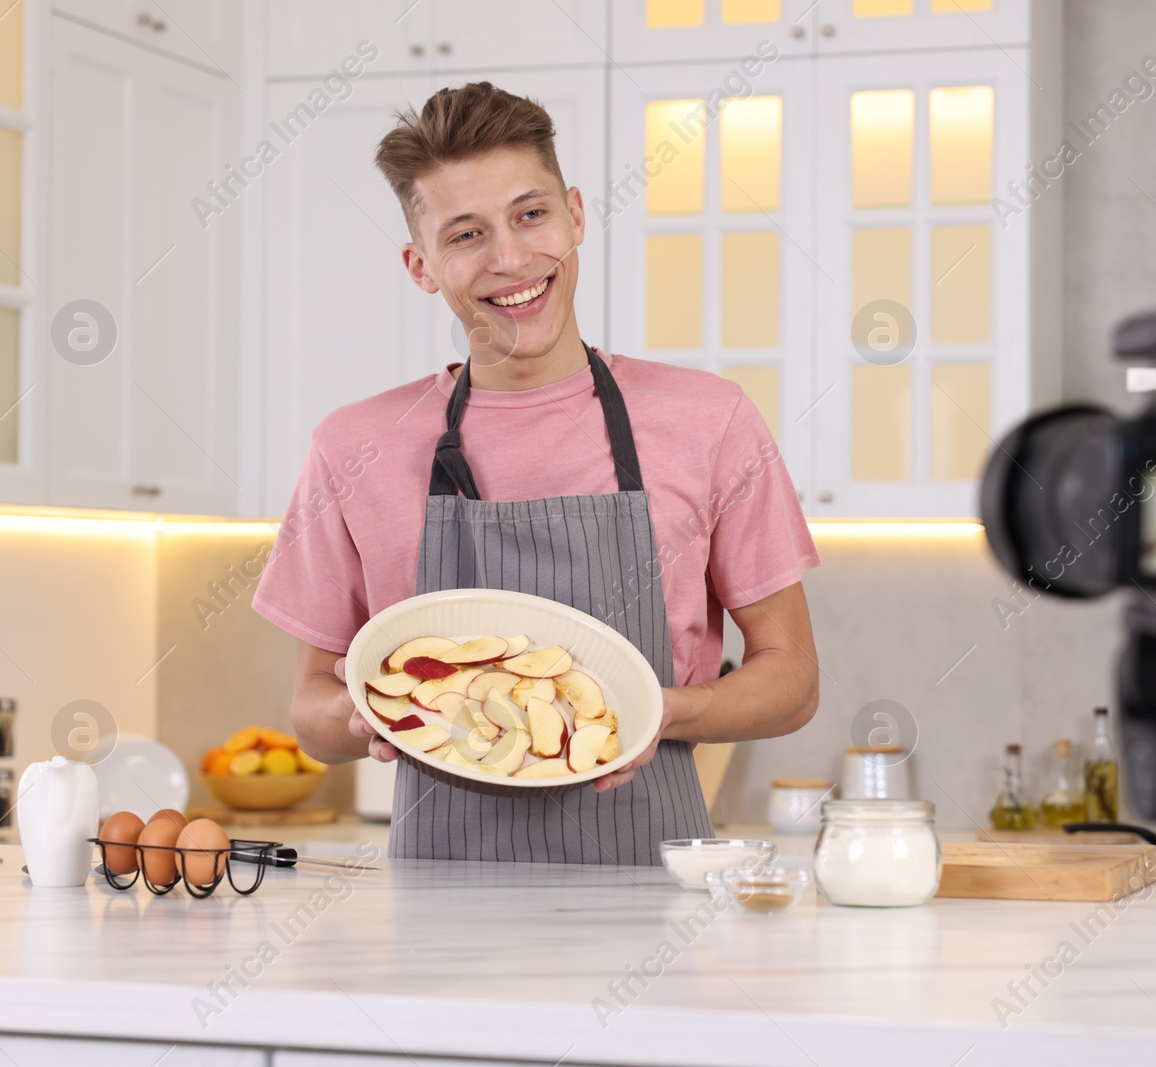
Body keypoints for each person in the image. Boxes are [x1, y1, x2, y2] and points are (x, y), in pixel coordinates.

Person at [252, 81, 822, 864]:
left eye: (531, 214)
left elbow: (792, 680)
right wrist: (373, 716)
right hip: (437, 912)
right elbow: (311, 713)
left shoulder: (710, 420)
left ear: (576, 214)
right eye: (466, 235)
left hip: (655, 897)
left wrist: (658, 712)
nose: (512, 258)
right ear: (422, 266)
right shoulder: (352, 447)